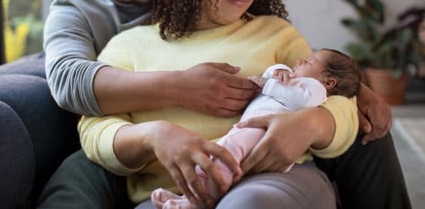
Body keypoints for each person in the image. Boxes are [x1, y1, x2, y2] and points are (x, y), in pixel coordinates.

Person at [38, 0, 411, 209]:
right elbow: (79, 100)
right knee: (72, 180)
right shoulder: (111, 35)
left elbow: (328, 90)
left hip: (266, 182)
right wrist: (157, 129)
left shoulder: (273, 32)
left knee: (369, 129)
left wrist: (325, 114)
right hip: (169, 191)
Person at [151, 48, 362, 209]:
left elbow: (303, 101)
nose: (299, 61)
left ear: (329, 82)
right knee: (219, 152)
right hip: (249, 128)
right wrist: (276, 71)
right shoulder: (293, 79)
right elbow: (272, 78)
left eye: (308, 61)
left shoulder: (314, 89)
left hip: (266, 133)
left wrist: (268, 84)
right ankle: (189, 196)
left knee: (225, 157)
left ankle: (201, 201)